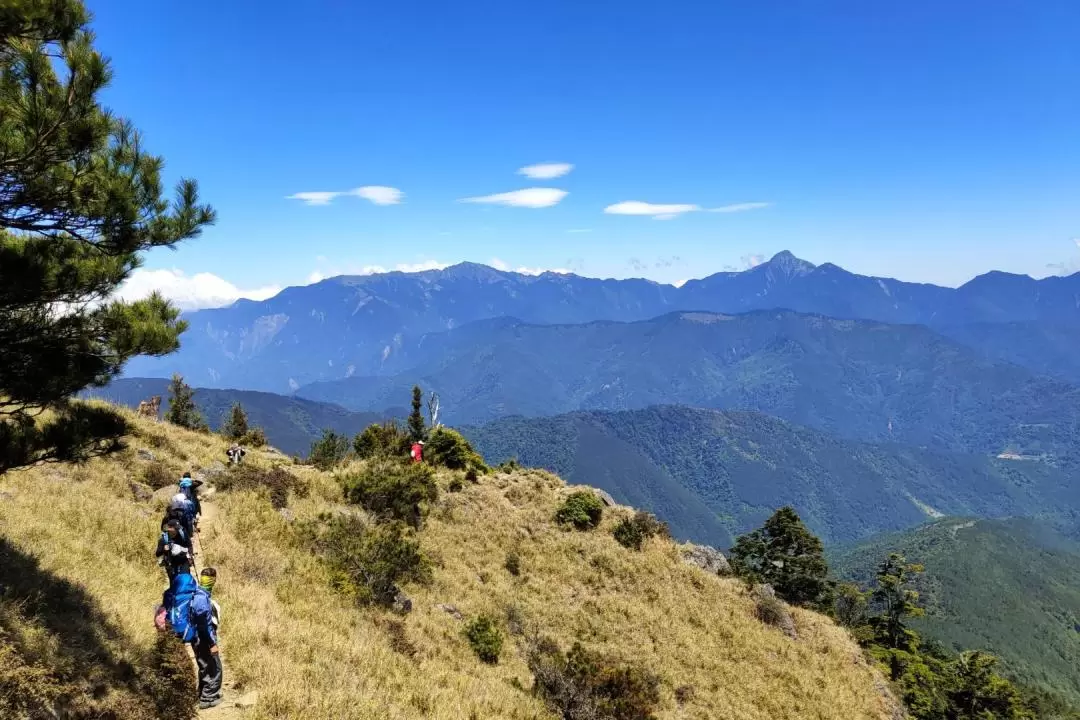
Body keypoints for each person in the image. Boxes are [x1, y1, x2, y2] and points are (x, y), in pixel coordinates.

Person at [192, 567, 223, 709]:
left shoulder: (197, 593)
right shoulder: (202, 599)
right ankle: (207, 698)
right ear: (213, 580)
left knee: (204, 665)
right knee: (214, 667)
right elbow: (203, 625)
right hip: (203, 638)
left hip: (197, 636)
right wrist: (212, 643)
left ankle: (205, 693)